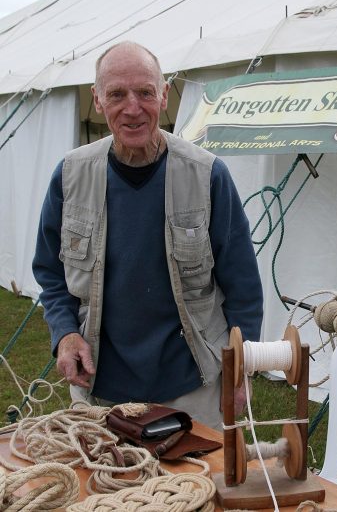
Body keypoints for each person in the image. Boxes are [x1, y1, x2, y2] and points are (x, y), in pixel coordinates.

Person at [32, 41, 263, 430]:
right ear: (98, 100)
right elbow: (50, 273)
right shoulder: (71, 175)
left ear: (164, 95)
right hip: (99, 385)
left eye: (145, 92)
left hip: (193, 383)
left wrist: (240, 371)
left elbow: (242, 286)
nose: (133, 108)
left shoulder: (207, 175)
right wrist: (65, 333)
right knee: (107, 489)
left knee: (194, 489)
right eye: (117, 94)